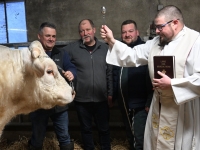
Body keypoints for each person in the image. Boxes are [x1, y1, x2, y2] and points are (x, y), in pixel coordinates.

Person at [100, 5, 200, 150]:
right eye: (156, 27)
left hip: (183, 107)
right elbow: (133, 55)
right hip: (159, 105)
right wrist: (112, 41)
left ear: (175, 23)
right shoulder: (157, 42)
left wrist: (173, 84)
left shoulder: (195, 42)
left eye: (160, 27)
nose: (157, 31)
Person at [63, 19, 113, 150]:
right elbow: (57, 59)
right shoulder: (71, 49)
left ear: (94, 30)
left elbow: (110, 73)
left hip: (101, 98)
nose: (85, 33)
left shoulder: (105, 48)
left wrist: (110, 93)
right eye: (82, 31)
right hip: (81, 99)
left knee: (104, 128)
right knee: (86, 129)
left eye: (88, 29)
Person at [28, 22, 76, 150]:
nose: (51, 39)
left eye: (53, 36)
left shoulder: (61, 53)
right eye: (47, 35)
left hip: (58, 104)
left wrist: (72, 73)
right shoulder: (31, 55)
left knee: (64, 136)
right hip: (38, 105)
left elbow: (70, 66)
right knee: (37, 138)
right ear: (39, 36)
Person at [112, 20, 153, 150]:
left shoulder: (145, 50)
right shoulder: (119, 51)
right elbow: (114, 75)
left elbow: (153, 78)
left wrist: (149, 101)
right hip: (124, 103)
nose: (127, 34)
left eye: (130, 31)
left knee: (140, 139)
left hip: (141, 105)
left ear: (137, 32)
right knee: (131, 135)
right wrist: (112, 95)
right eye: (124, 32)